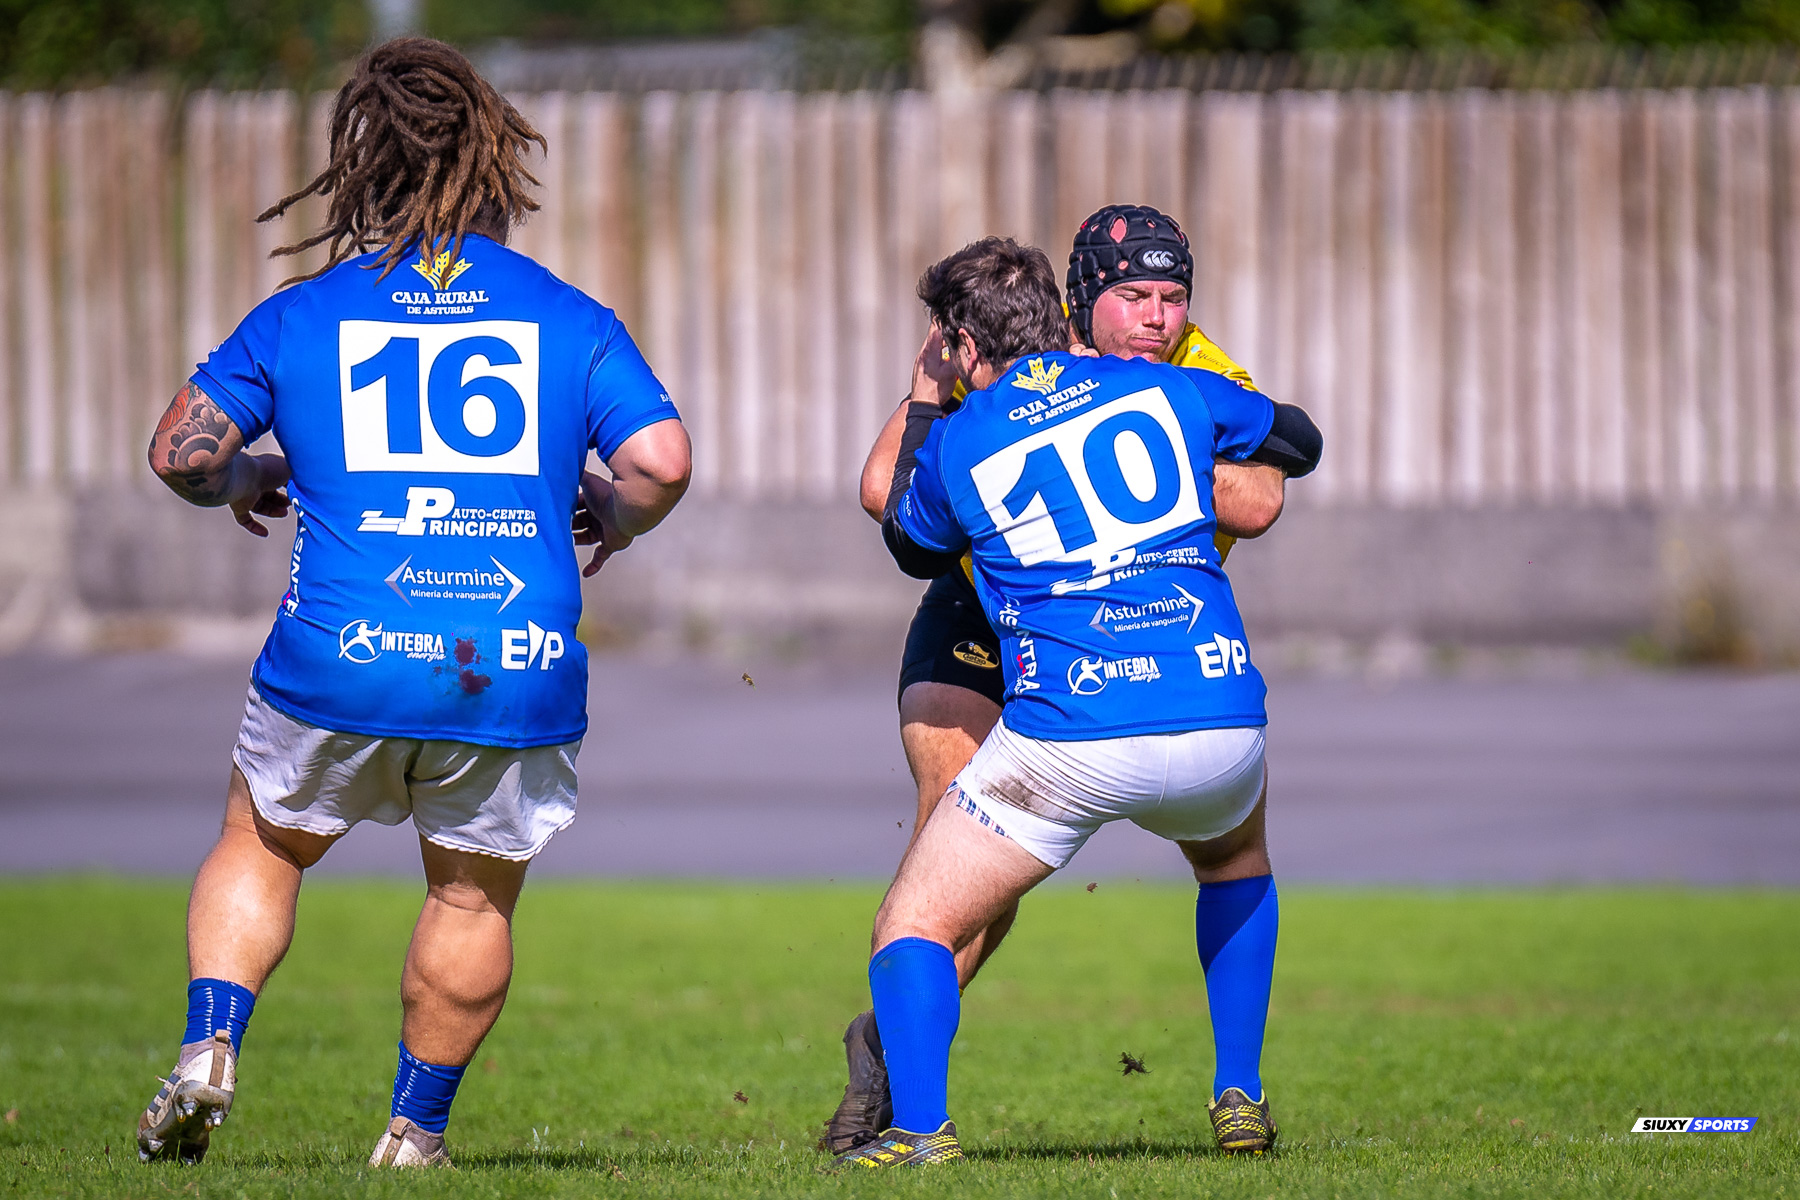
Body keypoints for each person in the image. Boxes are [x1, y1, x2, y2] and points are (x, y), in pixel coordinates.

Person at [134, 38, 689, 1168]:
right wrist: (610, 518)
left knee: (264, 842)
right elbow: (662, 463)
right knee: (473, 900)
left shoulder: (305, 311)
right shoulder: (566, 313)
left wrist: (252, 475)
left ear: (362, 173)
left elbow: (180, 453)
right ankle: (412, 1134)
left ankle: (209, 1050)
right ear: (492, 168)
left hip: (342, 651)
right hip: (512, 656)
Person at [828, 237, 1319, 1170]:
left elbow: (910, 541)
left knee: (915, 922)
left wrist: (934, 398)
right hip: (1219, 715)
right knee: (1235, 861)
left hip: (1077, 728)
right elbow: (1301, 442)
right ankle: (1240, 1096)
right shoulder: (1171, 389)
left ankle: (920, 1129)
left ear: (964, 342)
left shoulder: (969, 433)